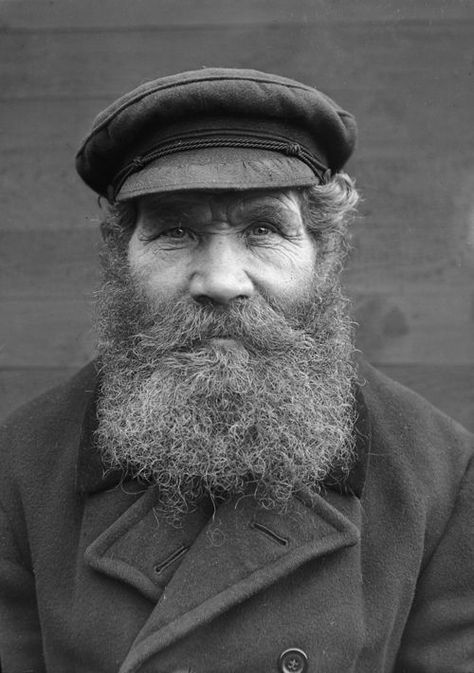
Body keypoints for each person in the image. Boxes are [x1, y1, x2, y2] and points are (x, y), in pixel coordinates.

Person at [0, 67, 472, 673]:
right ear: (123, 256)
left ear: (322, 253)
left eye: (264, 229)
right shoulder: (19, 467)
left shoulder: (442, 475)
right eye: (175, 230)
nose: (222, 281)